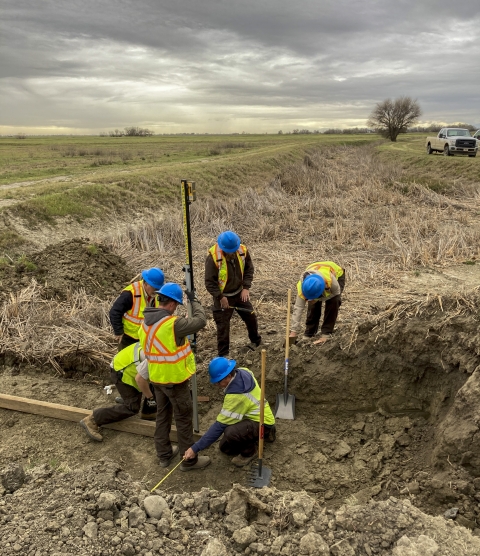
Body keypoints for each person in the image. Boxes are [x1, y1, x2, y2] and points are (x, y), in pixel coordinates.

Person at [138, 282, 210, 470]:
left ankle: (164, 455)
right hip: (174, 381)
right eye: (177, 305)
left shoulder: (144, 323)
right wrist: (194, 301)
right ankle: (190, 461)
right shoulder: (173, 324)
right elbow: (201, 321)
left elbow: (159, 348)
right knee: (183, 418)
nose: (176, 308)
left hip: (157, 379)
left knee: (163, 416)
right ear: (172, 304)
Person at [183, 357, 276, 467]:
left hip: (263, 423)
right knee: (225, 448)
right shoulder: (243, 371)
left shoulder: (236, 396)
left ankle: (250, 452)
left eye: (219, 382)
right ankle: (252, 436)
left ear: (228, 376)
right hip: (251, 416)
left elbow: (219, 426)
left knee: (231, 432)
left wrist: (195, 448)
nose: (217, 385)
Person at [80, 342, 157, 442]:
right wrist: (150, 398)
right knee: (132, 408)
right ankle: (92, 420)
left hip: (126, 365)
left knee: (152, 386)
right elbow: (140, 379)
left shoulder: (159, 343)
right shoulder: (157, 357)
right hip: (121, 371)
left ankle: (137, 405)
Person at [205, 231, 261, 356]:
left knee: (251, 316)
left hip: (240, 292)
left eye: (233, 250)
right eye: (229, 251)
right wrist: (220, 297)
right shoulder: (213, 258)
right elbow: (209, 282)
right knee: (223, 326)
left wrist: (246, 287)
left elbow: (249, 269)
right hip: (223, 297)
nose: (231, 253)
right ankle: (223, 356)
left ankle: (256, 341)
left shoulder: (242, 251)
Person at [289, 261, 345, 345]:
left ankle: (326, 333)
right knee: (313, 305)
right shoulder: (302, 287)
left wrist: (320, 299)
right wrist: (293, 332)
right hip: (316, 269)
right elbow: (298, 309)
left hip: (337, 275)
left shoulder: (330, 280)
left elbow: (336, 292)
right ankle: (309, 333)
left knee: (334, 301)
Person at [109, 268, 164, 351]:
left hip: (145, 338)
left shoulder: (156, 295)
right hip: (128, 338)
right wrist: (118, 331)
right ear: (145, 283)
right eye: (154, 288)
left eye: (158, 289)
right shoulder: (130, 294)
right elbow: (115, 312)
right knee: (125, 362)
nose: (156, 291)